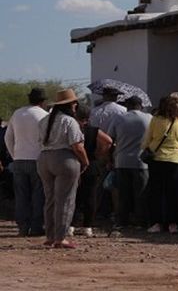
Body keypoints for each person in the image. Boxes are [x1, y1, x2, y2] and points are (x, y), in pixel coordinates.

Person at [36, 89, 89, 249]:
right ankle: (61, 237)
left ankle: (50, 236)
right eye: (74, 103)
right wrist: (85, 162)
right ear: (70, 105)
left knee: (50, 199)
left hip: (44, 159)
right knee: (65, 200)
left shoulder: (44, 121)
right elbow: (77, 146)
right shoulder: (69, 121)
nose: (75, 106)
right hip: (64, 159)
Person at [143, 95, 178, 234]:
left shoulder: (155, 120)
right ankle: (172, 223)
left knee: (156, 192)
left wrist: (146, 148)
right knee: (172, 193)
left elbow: (147, 139)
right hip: (174, 160)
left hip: (157, 158)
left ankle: (156, 222)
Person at [6, 87, 48, 237]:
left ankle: (23, 227)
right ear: (43, 101)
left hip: (19, 159)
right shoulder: (44, 116)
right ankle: (36, 227)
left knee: (21, 195)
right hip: (37, 159)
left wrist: (14, 155)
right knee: (38, 195)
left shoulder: (17, 114)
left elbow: (8, 137)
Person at [105, 96, 152, 231]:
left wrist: (109, 159)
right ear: (141, 105)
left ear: (127, 106)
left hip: (122, 161)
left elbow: (109, 140)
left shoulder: (119, 118)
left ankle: (122, 221)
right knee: (141, 194)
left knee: (123, 194)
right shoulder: (148, 118)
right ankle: (141, 222)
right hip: (141, 163)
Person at [72, 103, 112, 237]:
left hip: (75, 163)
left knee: (74, 196)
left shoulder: (72, 129)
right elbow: (108, 141)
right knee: (90, 196)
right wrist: (99, 154)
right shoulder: (93, 130)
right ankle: (87, 226)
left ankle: (71, 225)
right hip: (92, 164)